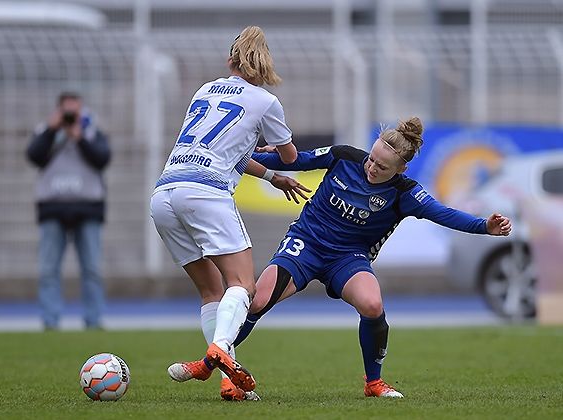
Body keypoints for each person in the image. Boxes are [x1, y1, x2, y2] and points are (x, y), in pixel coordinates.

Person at [175, 117, 512, 399]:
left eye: (381, 166)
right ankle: (218, 366)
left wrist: (485, 226)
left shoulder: (405, 193)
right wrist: (257, 157)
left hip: (348, 258)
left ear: (401, 168)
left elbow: (443, 213)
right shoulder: (345, 156)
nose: (371, 167)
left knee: (372, 305)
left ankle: (374, 383)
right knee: (256, 301)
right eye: (371, 159)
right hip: (305, 243)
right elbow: (300, 160)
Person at [150, 26, 308, 401]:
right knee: (243, 285)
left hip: (165, 192)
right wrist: (275, 155)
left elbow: (223, 149)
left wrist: (270, 176)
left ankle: (230, 382)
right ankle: (216, 352)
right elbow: (292, 156)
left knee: (211, 291)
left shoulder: (204, 90)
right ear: (265, 66)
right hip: (206, 193)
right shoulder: (266, 101)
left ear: (229, 61)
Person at [26, 92, 111, 330]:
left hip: (88, 206)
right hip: (53, 206)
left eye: (75, 111)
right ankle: (50, 322)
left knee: (92, 268)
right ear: (58, 110)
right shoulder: (46, 131)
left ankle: (93, 321)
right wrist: (53, 130)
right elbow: (33, 156)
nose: (71, 116)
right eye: (67, 112)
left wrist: (80, 137)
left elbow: (103, 158)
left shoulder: (93, 131)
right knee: (48, 269)